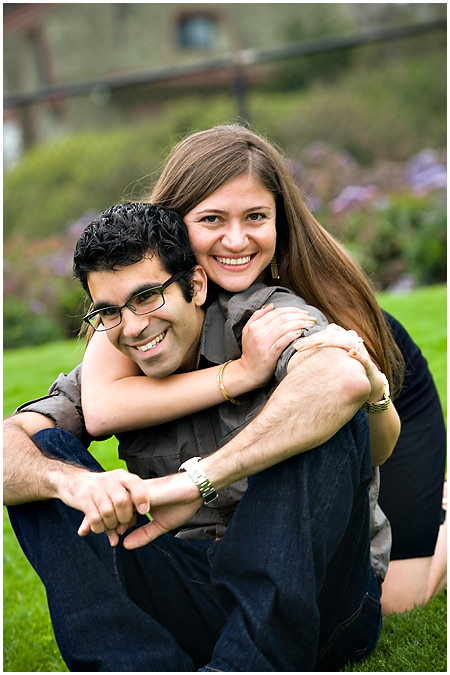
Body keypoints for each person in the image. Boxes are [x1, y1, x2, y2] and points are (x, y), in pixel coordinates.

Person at [4, 202, 396, 672]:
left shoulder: (264, 319)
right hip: (196, 586)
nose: (133, 326)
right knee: (43, 456)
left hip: (317, 596)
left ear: (195, 284)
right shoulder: (116, 355)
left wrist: (195, 482)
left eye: (147, 296)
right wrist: (69, 483)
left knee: (317, 414)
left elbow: (342, 380)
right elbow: (12, 443)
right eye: (109, 310)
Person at [80, 124, 446, 614]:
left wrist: (368, 388)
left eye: (256, 216)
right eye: (211, 218)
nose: (236, 240)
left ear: (280, 220)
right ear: (172, 223)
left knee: (398, 601)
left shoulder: (309, 299)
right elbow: (101, 406)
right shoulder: (145, 297)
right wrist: (243, 373)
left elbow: (369, 439)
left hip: (388, 390)